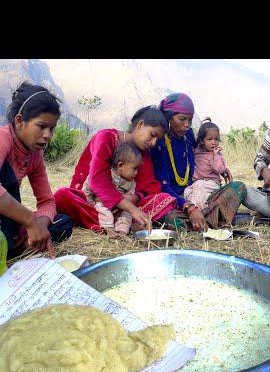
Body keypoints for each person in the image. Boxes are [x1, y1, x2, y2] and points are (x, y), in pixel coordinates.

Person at [54, 106, 177, 232]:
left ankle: (115, 223)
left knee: (163, 198)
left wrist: (132, 199)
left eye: (157, 139)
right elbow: (97, 181)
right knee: (62, 195)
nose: (153, 143)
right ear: (140, 125)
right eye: (152, 135)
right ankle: (122, 226)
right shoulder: (105, 138)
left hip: (124, 207)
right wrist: (130, 208)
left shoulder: (143, 154)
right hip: (93, 201)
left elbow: (149, 187)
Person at [152, 93, 246, 230]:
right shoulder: (159, 142)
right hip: (175, 199)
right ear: (168, 117)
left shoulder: (188, 135)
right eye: (182, 119)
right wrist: (188, 207)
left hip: (198, 193)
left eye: (190, 121)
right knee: (171, 217)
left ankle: (202, 219)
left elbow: (203, 155)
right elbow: (162, 186)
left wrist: (221, 167)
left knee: (238, 187)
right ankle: (213, 218)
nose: (187, 125)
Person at [0, 82, 73, 259]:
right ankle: (11, 244)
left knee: (63, 223)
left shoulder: (35, 154)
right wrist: (30, 221)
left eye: (52, 128)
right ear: (19, 121)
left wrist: (40, 225)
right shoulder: (3, 138)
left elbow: (47, 201)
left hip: (8, 221)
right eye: (41, 126)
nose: (47, 135)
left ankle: (17, 245)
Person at [83, 142, 142, 238]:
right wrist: (89, 199)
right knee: (105, 212)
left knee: (127, 215)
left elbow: (130, 197)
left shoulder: (131, 183)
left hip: (120, 207)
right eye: (134, 169)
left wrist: (123, 206)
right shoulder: (107, 174)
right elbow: (89, 184)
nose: (136, 172)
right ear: (120, 165)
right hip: (102, 203)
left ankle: (122, 232)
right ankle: (109, 230)